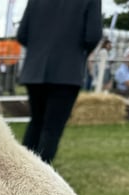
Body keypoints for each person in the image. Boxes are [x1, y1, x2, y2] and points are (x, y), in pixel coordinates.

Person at [16, 0, 102, 164]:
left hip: (35, 68)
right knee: (51, 128)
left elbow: (22, 34)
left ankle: (22, 169)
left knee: (36, 122)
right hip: (67, 70)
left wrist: (40, 47)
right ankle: (40, 177)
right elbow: (93, 35)